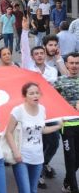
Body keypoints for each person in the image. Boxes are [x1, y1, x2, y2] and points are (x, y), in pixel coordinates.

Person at [5, 82, 63, 193]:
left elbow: (41, 130)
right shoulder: (18, 111)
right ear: (24, 96)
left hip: (37, 158)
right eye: (31, 93)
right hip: (21, 158)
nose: (35, 95)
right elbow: (8, 133)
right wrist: (16, 152)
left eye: (37, 93)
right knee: (25, 191)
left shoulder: (42, 109)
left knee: (33, 189)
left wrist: (58, 126)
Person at [54, 52, 79, 193]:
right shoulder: (60, 81)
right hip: (67, 125)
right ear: (67, 64)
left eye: (77, 63)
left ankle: (67, 182)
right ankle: (74, 189)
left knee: (77, 159)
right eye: (72, 63)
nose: (74, 66)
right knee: (70, 157)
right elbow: (51, 100)